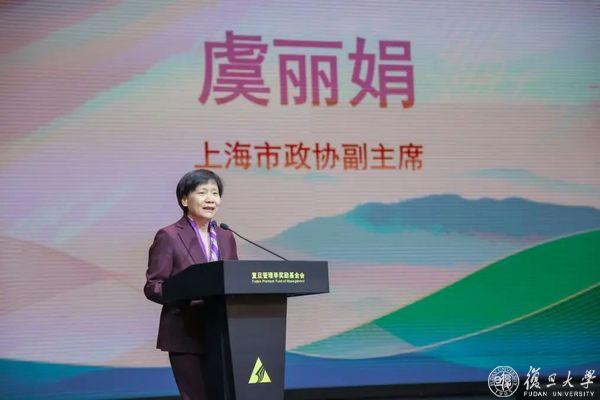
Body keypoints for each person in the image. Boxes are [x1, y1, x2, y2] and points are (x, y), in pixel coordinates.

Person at [144, 169, 238, 400]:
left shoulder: (225, 235)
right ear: (185, 200)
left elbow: (235, 278)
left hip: (223, 332)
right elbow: (154, 286)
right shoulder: (169, 236)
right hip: (186, 332)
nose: (210, 199)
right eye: (202, 192)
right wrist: (185, 294)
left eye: (215, 193)